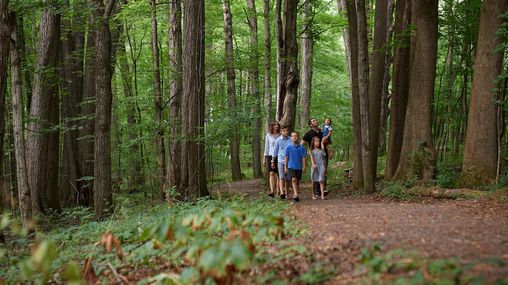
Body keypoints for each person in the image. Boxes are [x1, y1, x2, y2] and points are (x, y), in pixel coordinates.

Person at [301, 118, 328, 196]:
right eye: (313, 121)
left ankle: (322, 190)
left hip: (322, 152)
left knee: (324, 170)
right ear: (310, 125)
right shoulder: (308, 133)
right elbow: (301, 144)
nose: (316, 121)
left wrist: (328, 151)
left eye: (315, 120)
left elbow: (325, 141)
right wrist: (306, 152)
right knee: (315, 172)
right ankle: (316, 191)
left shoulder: (320, 131)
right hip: (313, 154)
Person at [285, 131, 307, 202]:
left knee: (297, 181)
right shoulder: (288, 147)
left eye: (296, 136)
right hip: (291, 166)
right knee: (293, 179)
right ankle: (295, 194)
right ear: (291, 138)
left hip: (299, 167)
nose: (294, 137)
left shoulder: (302, 148)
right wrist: (285, 167)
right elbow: (286, 157)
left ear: (298, 137)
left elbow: (303, 158)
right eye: (293, 136)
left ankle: (296, 191)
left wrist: (304, 167)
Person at [272, 126, 291, 199]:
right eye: (284, 130)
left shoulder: (290, 139)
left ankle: (287, 193)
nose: (286, 131)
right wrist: (273, 161)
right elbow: (275, 151)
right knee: (281, 177)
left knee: (288, 178)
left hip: (289, 161)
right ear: (281, 132)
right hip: (280, 161)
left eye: (286, 130)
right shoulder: (278, 140)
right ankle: (282, 192)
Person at [264, 121, 280, 197]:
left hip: (279, 156)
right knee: (271, 173)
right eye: (275, 124)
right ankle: (272, 191)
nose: (276, 126)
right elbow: (266, 147)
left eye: (277, 125)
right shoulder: (268, 135)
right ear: (272, 126)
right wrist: (264, 158)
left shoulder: (281, 135)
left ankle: (278, 191)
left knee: (278, 174)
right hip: (270, 155)